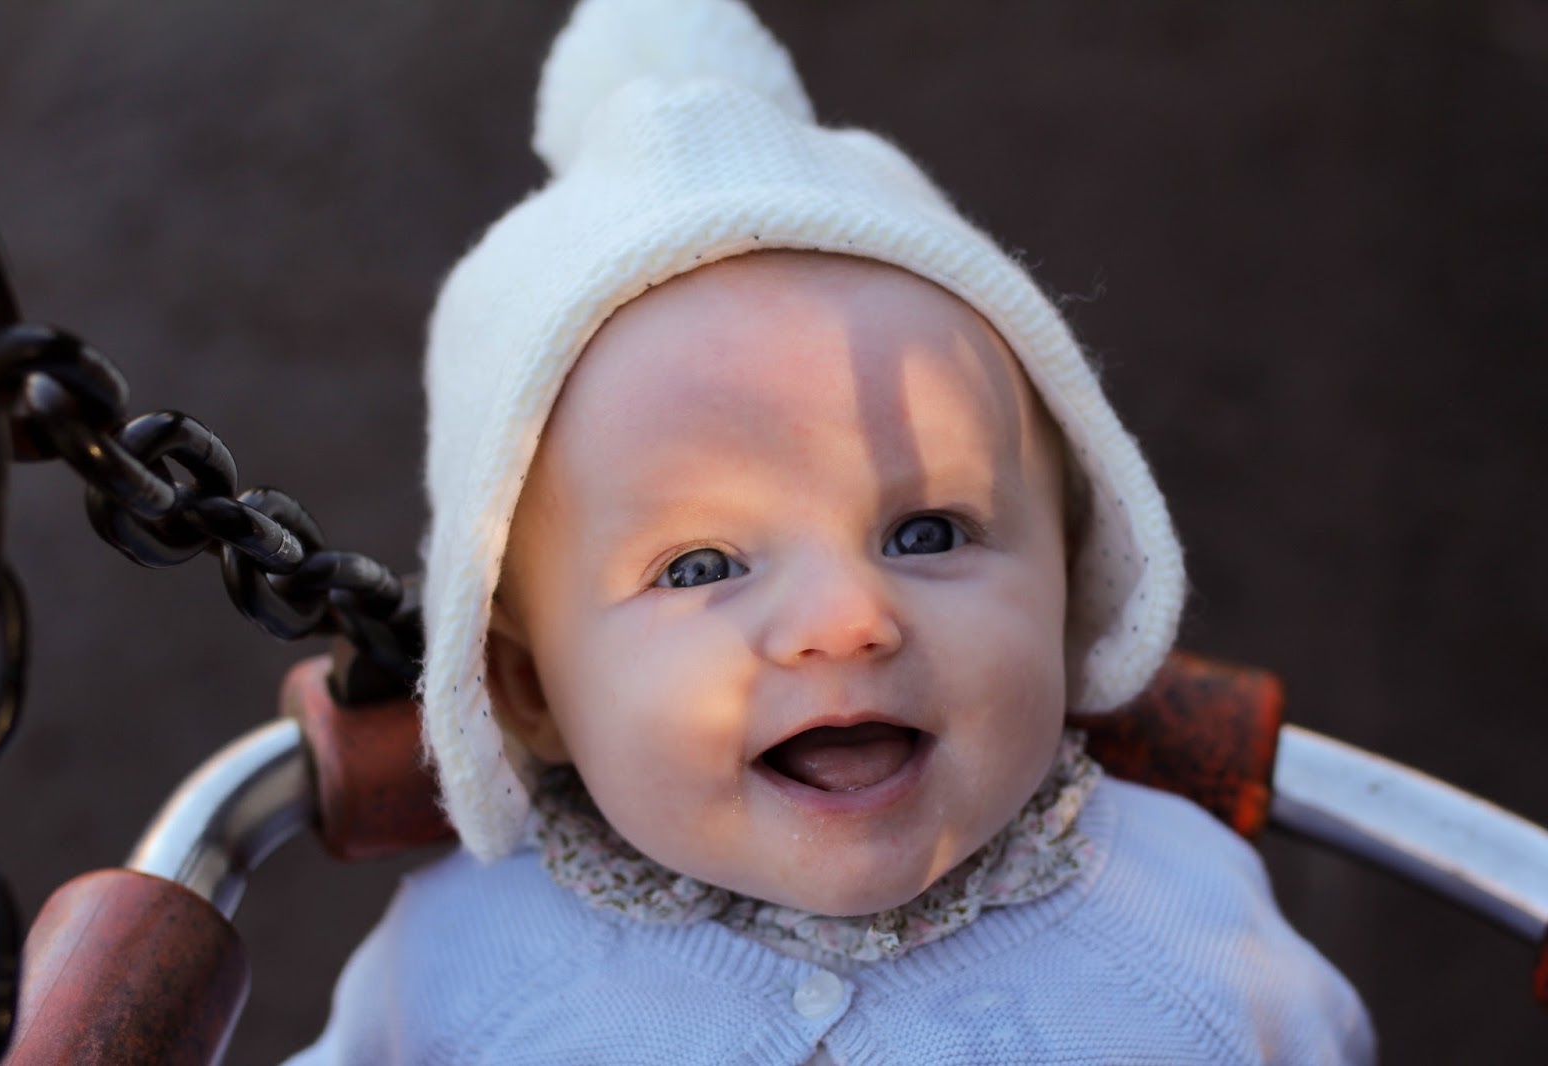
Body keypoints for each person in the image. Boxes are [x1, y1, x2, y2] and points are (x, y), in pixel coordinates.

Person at [288, 0, 1374, 1061]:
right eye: (699, 565)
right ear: (528, 690)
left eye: (928, 533)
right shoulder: (462, 974)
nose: (847, 619)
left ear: (1069, 573)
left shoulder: (1187, 939)